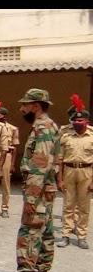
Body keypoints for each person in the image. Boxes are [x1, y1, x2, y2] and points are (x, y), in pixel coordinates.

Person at [0, 88, 59, 272]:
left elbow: (40, 165)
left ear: (36, 106)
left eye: (25, 105)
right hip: (46, 190)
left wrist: (31, 198)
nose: (21, 109)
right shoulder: (49, 127)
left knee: (29, 233)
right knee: (46, 232)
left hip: (38, 191)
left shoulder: (43, 128)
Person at [56, 94, 92, 249]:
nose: (77, 122)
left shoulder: (92, 136)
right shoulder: (66, 136)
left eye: (80, 120)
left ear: (86, 121)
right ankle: (65, 234)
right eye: (75, 120)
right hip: (69, 171)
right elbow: (59, 159)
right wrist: (59, 179)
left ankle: (82, 235)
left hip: (86, 172)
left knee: (84, 206)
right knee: (68, 205)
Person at [0, 102, 19, 218]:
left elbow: (15, 148)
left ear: (5, 116)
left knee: (5, 184)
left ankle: (5, 207)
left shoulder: (13, 129)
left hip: (7, 156)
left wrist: (13, 164)